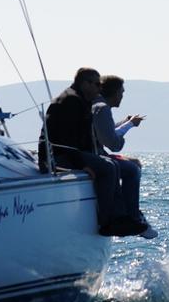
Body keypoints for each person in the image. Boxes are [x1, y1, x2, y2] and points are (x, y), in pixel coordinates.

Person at [37, 68, 131, 237]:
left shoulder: (81, 99)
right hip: (58, 157)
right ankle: (107, 221)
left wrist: (96, 158)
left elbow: (83, 138)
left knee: (111, 164)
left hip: (68, 154)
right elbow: (67, 140)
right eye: (96, 84)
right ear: (85, 83)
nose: (99, 88)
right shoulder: (71, 101)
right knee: (108, 169)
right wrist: (83, 165)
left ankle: (119, 217)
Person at [91, 75, 156, 239]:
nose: (122, 96)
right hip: (94, 154)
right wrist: (130, 124)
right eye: (121, 92)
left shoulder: (96, 105)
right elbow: (112, 142)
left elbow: (105, 131)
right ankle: (134, 218)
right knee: (132, 170)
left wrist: (124, 122)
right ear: (114, 92)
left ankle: (132, 213)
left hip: (95, 152)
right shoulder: (102, 107)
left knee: (134, 163)